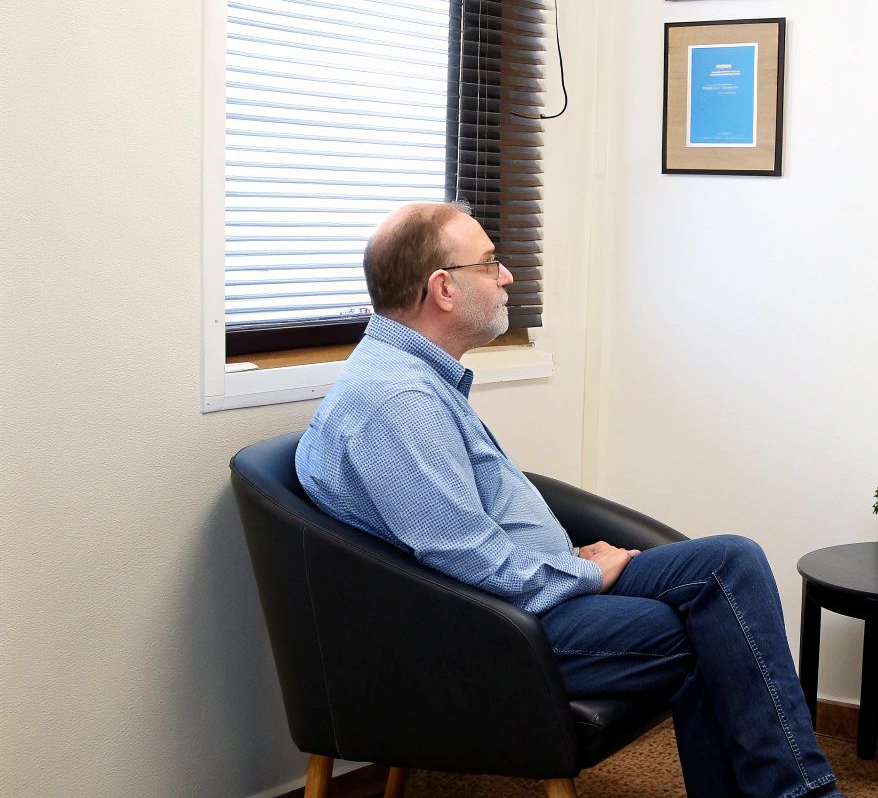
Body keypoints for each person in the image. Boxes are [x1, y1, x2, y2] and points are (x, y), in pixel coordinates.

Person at [296, 201, 844, 798]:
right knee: (705, 628)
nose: (507, 276)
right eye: (490, 263)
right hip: (496, 627)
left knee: (730, 562)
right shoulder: (395, 401)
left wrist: (567, 563)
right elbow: (466, 558)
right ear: (444, 289)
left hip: (536, 588)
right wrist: (579, 572)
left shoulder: (417, 378)